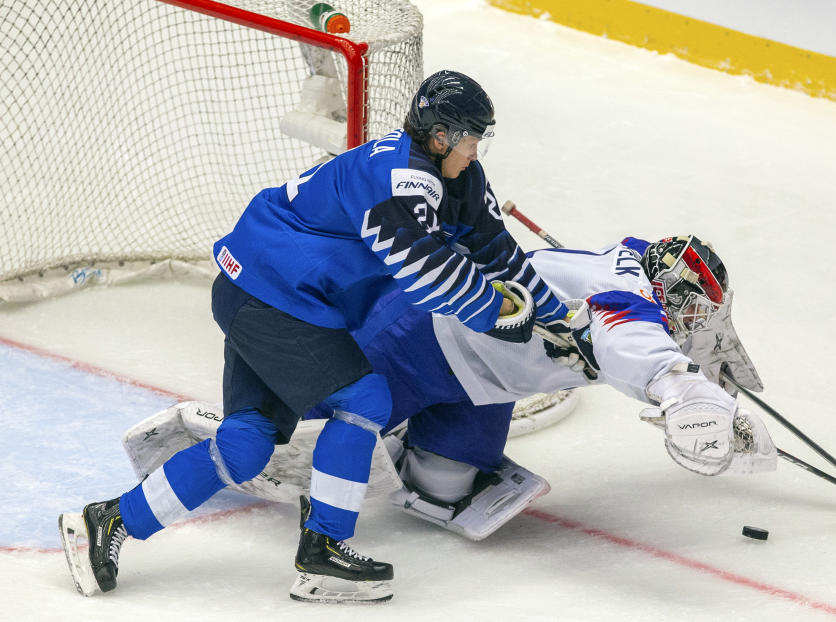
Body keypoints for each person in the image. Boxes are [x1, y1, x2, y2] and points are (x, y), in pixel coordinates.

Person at [58, 70, 573, 604]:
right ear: (440, 135)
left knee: (246, 444)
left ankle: (105, 523)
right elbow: (428, 274)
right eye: (471, 137)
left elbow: (497, 252)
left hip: (269, 293)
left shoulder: (459, 177)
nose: (475, 149)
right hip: (272, 297)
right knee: (366, 397)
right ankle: (324, 550)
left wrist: (563, 316)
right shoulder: (398, 176)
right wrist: (497, 314)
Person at [122, 235, 776, 552]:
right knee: (321, 423)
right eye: (694, 314)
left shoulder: (630, 266)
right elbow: (625, 339)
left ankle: (411, 446)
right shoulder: (629, 304)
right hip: (419, 336)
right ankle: (227, 432)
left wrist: (713, 396)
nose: (695, 328)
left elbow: (641, 335)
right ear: (675, 295)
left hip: (483, 378)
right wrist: (677, 387)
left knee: (446, 486)